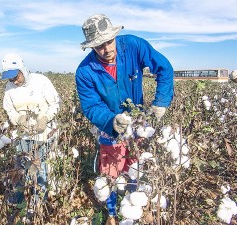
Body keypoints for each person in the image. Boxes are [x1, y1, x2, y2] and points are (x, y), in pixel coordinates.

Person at [75, 14, 174, 225]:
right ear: (91, 47)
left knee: (136, 169)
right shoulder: (84, 72)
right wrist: (111, 121)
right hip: (109, 130)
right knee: (110, 174)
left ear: (115, 36)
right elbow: (91, 106)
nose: (107, 48)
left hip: (137, 126)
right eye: (100, 46)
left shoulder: (133, 45)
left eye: (109, 41)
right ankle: (112, 214)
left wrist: (161, 103)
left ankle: (134, 213)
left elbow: (164, 68)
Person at [1, 53, 61, 206]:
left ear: (22, 69)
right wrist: (18, 119)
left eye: (16, 76)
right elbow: (9, 110)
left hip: (44, 134)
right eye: (10, 78)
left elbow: (55, 104)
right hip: (23, 135)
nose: (14, 80)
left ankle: (38, 201)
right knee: (20, 167)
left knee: (39, 168)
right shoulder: (9, 88)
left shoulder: (41, 81)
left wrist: (44, 118)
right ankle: (18, 198)